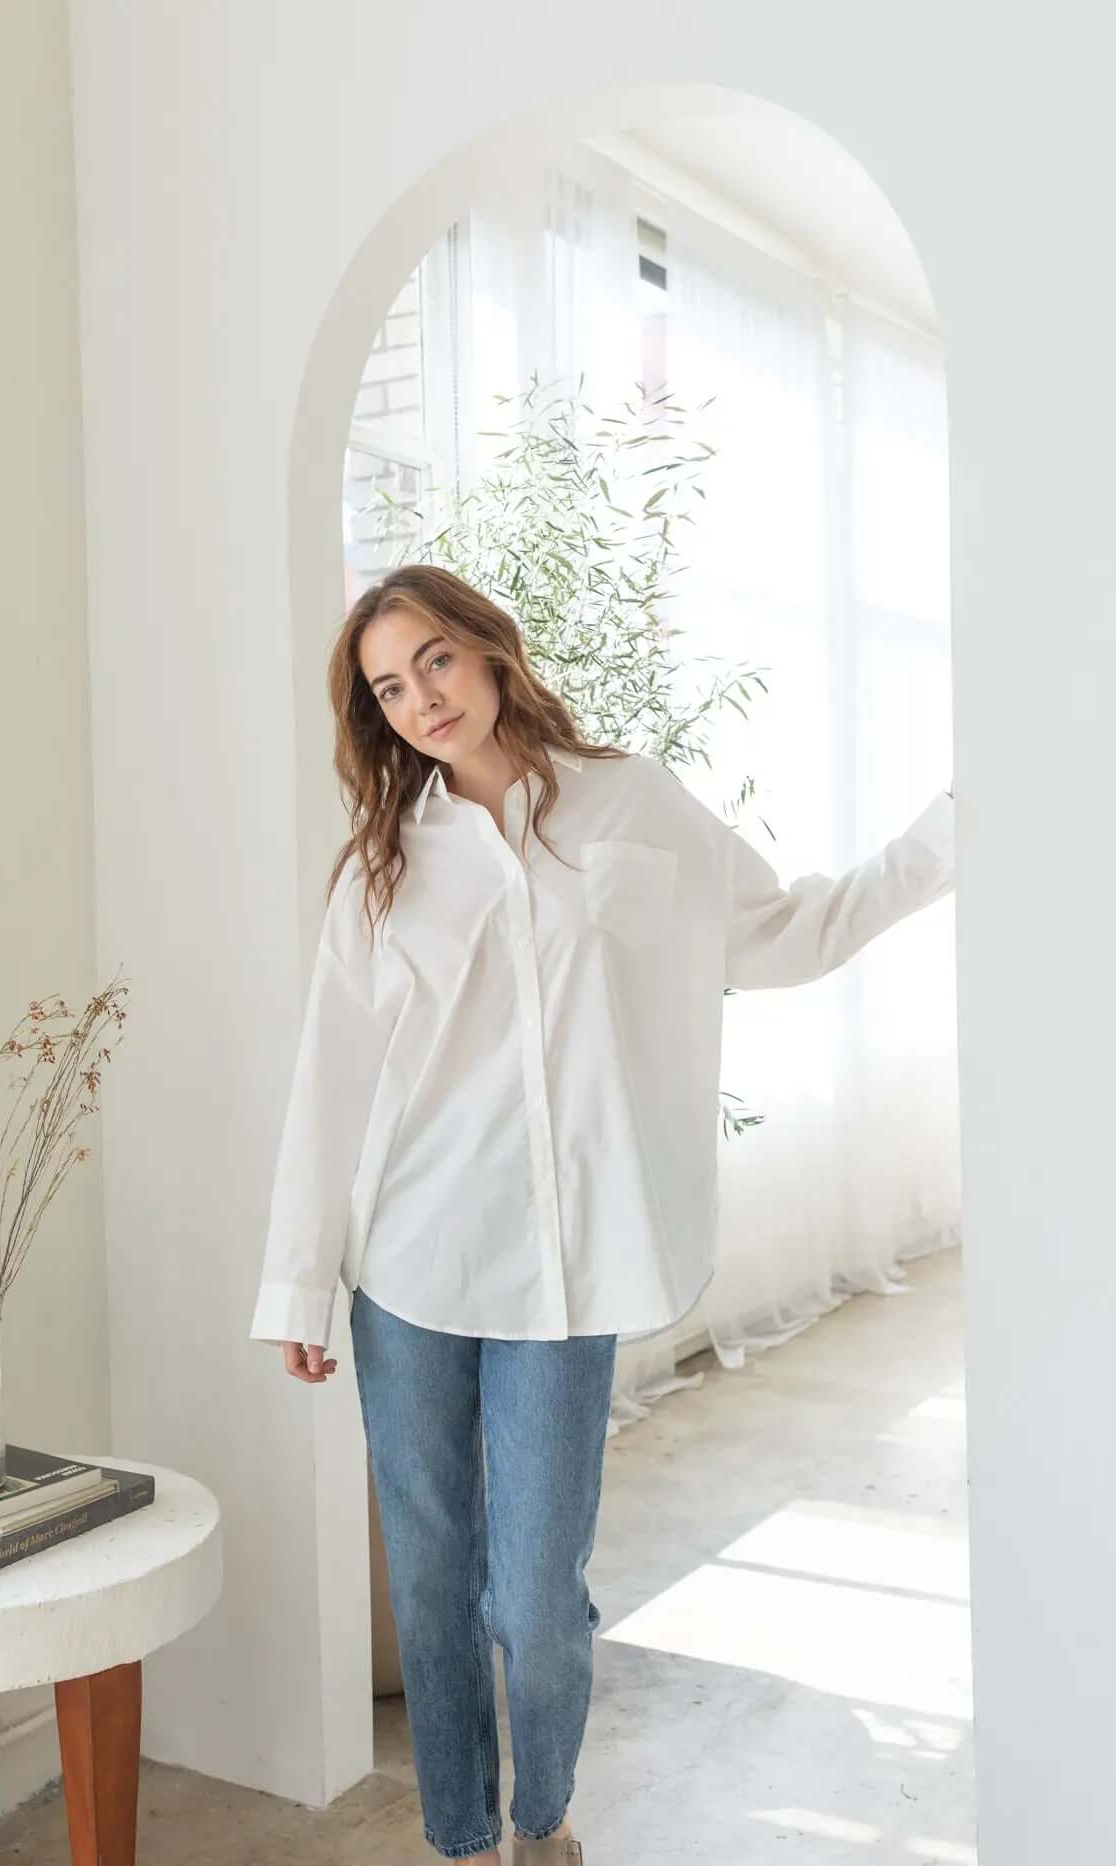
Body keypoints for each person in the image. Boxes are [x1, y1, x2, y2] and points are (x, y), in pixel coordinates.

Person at [248, 564, 956, 1863]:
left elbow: (786, 932)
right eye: (388, 689)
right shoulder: (389, 864)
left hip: (566, 1272)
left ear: (489, 648)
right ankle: (461, 1840)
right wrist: (300, 1280)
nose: (418, 702)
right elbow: (329, 1080)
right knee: (432, 1576)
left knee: (538, 1593)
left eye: (434, 664)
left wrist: (946, 836)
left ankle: (543, 1816)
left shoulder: (633, 805)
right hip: (408, 1262)